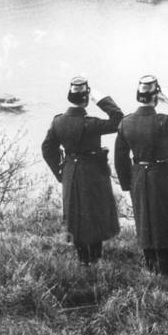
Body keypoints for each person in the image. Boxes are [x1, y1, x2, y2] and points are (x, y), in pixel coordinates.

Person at [114, 75, 168, 280]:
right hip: (162, 177)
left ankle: (151, 270)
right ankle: (166, 273)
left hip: (138, 177)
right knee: (162, 225)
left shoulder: (126, 123)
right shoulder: (163, 121)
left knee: (145, 222)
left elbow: (120, 158)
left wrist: (128, 184)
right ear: (156, 97)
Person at [41, 77, 123, 266]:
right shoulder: (91, 123)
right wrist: (102, 100)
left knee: (75, 214)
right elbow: (118, 120)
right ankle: (94, 259)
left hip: (70, 172)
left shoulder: (58, 121)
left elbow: (47, 149)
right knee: (94, 214)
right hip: (93, 172)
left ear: (70, 97)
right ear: (86, 99)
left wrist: (60, 171)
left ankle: (82, 259)